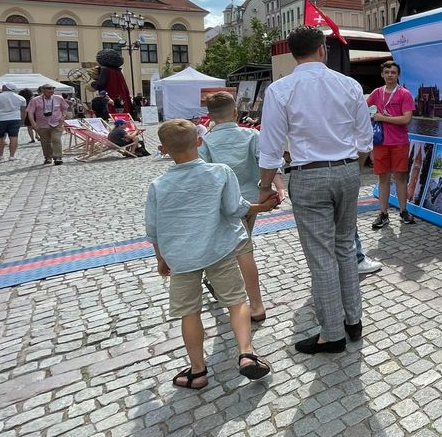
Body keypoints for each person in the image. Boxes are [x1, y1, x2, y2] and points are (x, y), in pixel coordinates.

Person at [258, 26, 373, 354]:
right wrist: (353, 167)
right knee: (345, 248)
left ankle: (333, 333)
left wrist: (265, 186)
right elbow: (365, 139)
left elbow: (270, 147)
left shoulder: (281, 90)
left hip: (308, 175)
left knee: (322, 256)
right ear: (322, 49)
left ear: (293, 54)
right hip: (347, 170)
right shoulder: (349, 85)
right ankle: (353, 320)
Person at [147, 119, 278, 389]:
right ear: (199, 141)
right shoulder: (220, 172)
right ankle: (246, 352)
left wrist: (161, 258)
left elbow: (153, 229)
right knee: (237, 301)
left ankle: (197, 371)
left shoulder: (158, 185)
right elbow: (235, 209)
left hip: (181, 259)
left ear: (163, 149)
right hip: (218, 251)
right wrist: (263, 208)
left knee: (190, 312)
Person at [199, 91, 288, 322]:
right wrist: (279, 187)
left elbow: (203, 175)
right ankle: (250, 301)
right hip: (253, 201)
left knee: (239, 250)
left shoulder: (206, 141)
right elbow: (268, 161)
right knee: (243, 246)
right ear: (236, 112)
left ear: (209, 115)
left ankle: (252, 303)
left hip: (224, 205)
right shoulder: (251, 135)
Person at [367, 61, 415, 230]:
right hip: (380, 142)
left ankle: (403, 211)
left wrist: (382, 118)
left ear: (397, 75)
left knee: (401, 178)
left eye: (393, 72)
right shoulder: (376, 93)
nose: (389, 75)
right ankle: (383, 213)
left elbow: (406, 119)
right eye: (386, 72)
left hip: (399, 142)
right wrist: (372, 117)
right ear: (382, 74)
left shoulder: (404, 94)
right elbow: (364, 110)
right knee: (383, 179)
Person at [26, 83, 70, 165]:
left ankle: (58, 157)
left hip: (56, 123)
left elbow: (64, 108)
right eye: (49, 89)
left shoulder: (59, 98)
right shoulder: (35, 100)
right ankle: (48, 157)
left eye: (52, 88)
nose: (51, 90)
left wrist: (63, 116)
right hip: (42, 124)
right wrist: (33, 123)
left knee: (56, 139)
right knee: (45, 142)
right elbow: (30, 112)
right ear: (43, 90)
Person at [0, 84, 28, 163]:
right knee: (14, 137)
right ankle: (12, 156)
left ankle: (0, 155)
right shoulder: (21, 98)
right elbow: (23, 111)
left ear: (4, 88)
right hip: (15, 118)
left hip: (0, 119)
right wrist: (23, 121)